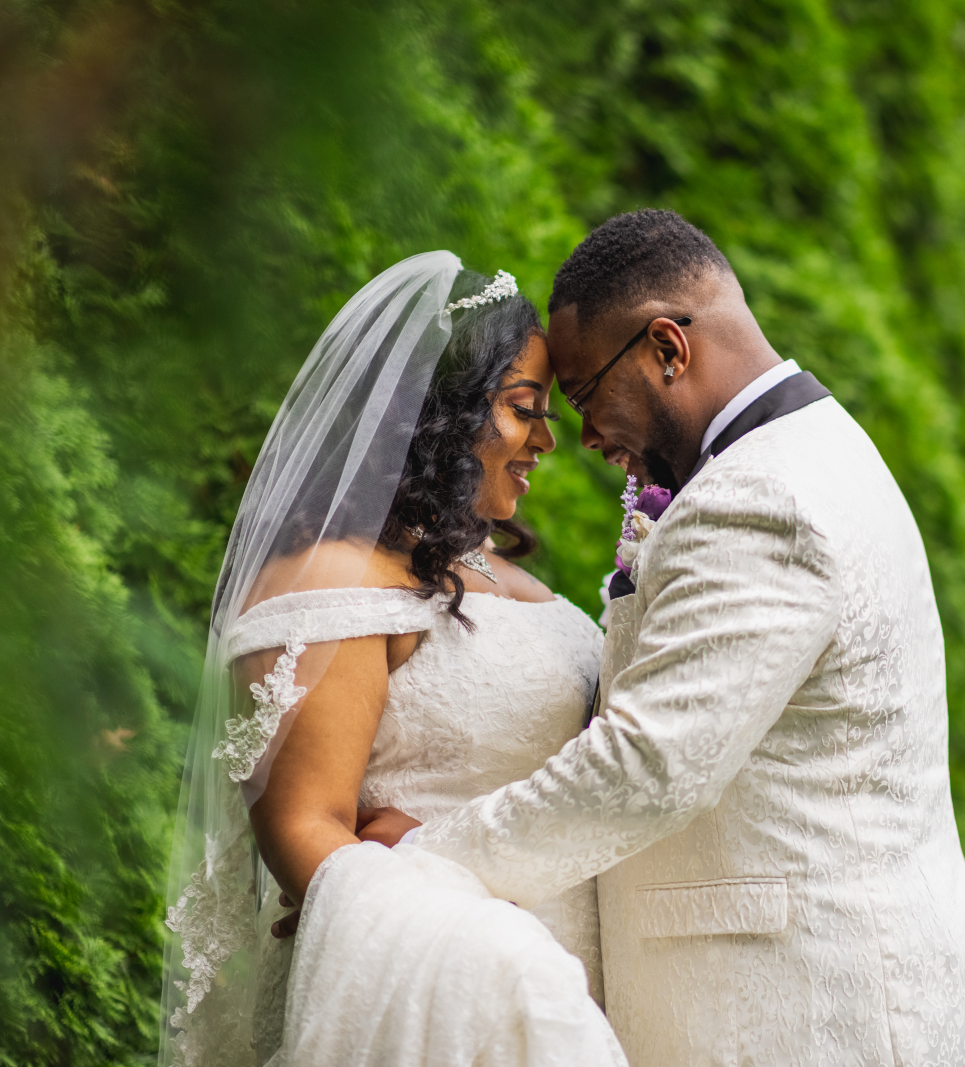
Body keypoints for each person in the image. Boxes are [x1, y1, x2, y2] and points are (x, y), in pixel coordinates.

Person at [399, 210, 965, 1066]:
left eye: (584, 396)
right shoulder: (811, 451)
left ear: (667, 347)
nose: (583, 437)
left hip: (809, 1018)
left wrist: (408, 865)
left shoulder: (759, 500)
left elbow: (647, 765)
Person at [159, 252, 625, 1067]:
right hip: (445, 1002)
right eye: (524, 408)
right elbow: (305, 826)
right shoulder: (333, 581)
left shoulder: (514, 581)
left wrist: (423, 848)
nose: (548, 440)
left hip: (579, 986)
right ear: (437, 413)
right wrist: (451, 911)